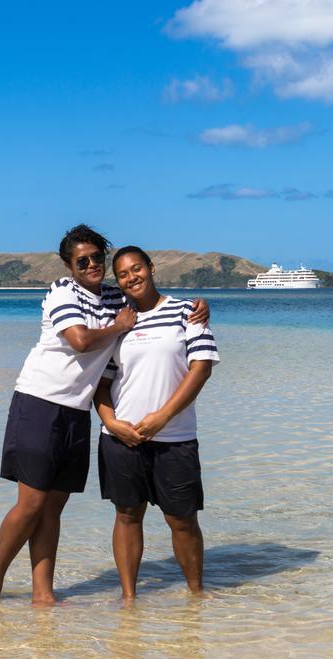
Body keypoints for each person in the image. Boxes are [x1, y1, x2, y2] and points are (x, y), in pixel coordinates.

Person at [0, 226, 208, 603]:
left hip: (78, 411)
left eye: (96, 259)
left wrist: (199, 304)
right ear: (69, 266)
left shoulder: (116, 296)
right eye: (81, 261)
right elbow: (81, 341)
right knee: (32, 503)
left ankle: (42, 594)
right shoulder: (62, 292)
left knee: (54, 506)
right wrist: (118, 326)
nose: (91, 266)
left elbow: (149, 300)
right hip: (39, 402)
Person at [94, 246, 220, 599]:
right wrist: (110, 421)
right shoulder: (119, 323)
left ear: (151, 268)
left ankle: (197, 595)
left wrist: (162, 418)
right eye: (122, 274)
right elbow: (101, 383)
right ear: (116, 281)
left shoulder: (186, 312)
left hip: (175, 437)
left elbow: (201, 368)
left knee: (182, 519)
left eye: (137, 269)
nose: (131, 277)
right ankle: (129, 599)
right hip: (121, 438)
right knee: (127, 516)